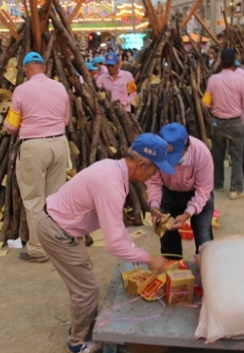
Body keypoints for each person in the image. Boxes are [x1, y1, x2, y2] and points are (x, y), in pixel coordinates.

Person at [39, 133, 170, 353]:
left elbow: (114, 227)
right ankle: (77, 343)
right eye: (154, 170)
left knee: (83, 279)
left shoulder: (113, 168)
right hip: (57, 232)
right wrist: (149, 258)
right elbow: (114, 243)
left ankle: (85, 323)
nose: (153, 175)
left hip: (59, 226)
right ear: (141, 165)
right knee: (87, 289)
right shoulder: (112, 185)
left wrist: (134, 248)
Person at [5, 52, 70, 263]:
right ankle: (57, 246)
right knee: (54, 199)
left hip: (34, 147)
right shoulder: (59, 88)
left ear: (25, 70)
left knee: (34, 200)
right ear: (44, 68)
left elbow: (13, 126)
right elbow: (65, 119)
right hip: (59, 144)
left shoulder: (21, 90)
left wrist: (7, 124)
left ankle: (38, 250)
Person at [147, 123, 214, 258]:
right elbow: (154, 182)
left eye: (175, 157)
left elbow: (203, 190)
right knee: (167, 239)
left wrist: (187, 214)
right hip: (168, 194)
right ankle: (173, 272)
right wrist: (154, 206)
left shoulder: (201, 153)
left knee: (204, 240)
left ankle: (206, 272)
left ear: (187, 147)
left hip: (196, 193)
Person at [203, 48, 244, 200]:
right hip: (236, 121)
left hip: (218, 122)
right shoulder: (241, 80)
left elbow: (206, 103)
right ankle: (235, 189)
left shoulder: (213, 80)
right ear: (234, 64)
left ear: (221, 62)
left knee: (218, 154)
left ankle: (218, 183)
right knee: (236, 156)